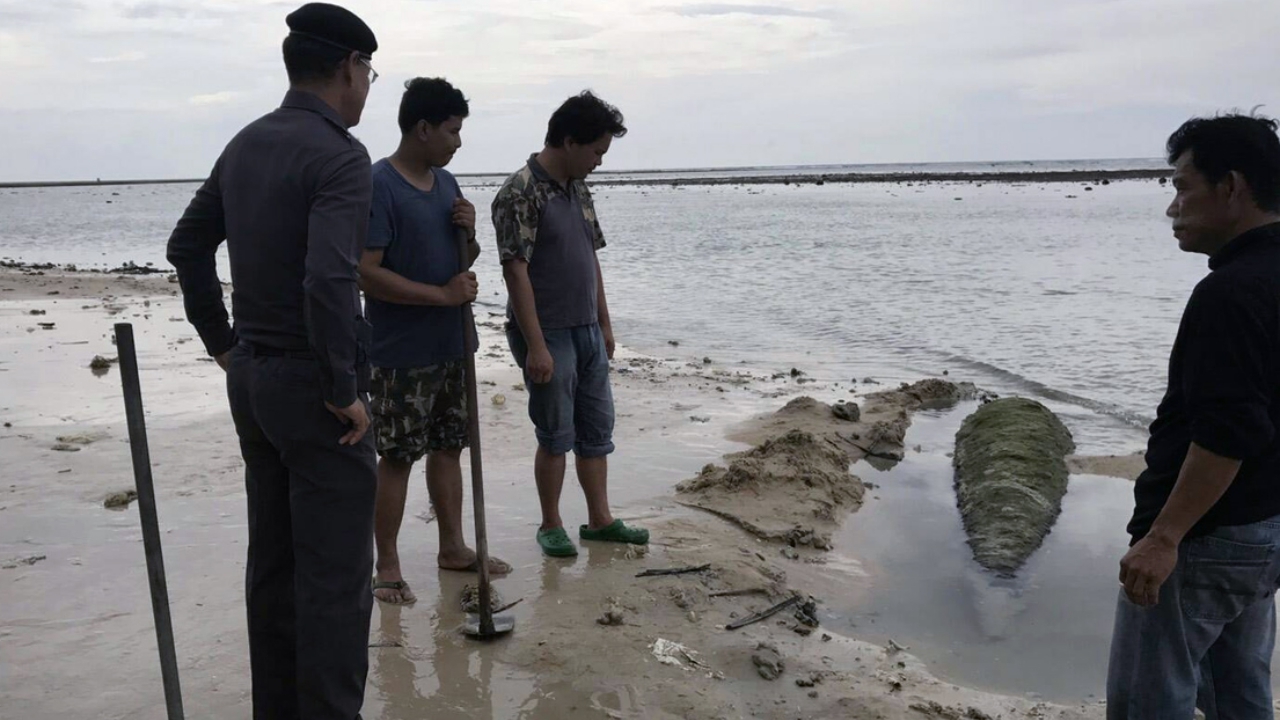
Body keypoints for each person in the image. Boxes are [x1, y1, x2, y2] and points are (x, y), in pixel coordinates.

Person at [165, 3, 380, 718]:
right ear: (348, 67)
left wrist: (224, 343)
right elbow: (328, 279)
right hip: (312, 383)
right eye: (369, 71)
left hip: (253, 377)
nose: (369, 84)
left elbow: (188, 246)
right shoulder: (340, 155)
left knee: (276, 568)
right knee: (336, 581)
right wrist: (345, 386)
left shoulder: (247, 142)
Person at [1107, 114, 1280, 719]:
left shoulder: (1230, 292)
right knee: (1241, 696)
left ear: (1231, 186)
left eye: (1182, 187)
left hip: (1204, 538)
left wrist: (1163, 536)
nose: (1172, 207)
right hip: (1263, 530)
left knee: (1148, 702)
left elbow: (1227, 434)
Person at [357, 77, 511, 606]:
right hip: (401, 352)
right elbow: (366, 273)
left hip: (453, 344)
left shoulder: (447, 185)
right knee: (398, 455)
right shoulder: (379, 185)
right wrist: (441, 296)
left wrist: (469, 234)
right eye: (452, 130)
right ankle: (388, 566)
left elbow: (459, 266)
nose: (457, 142)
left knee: (450, 447)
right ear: (422, 128)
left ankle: (453, 548)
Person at [491, 91, 648, 558]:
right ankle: (551, 524)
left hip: (586, 330)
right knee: (556, 434)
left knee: (596, 431)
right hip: (546, 333)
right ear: (567, 140)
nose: (599, 161)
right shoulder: (519, 191)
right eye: (596, 151)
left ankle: (599, 520)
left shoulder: (578, 189)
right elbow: (515, 271)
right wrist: (536, 346)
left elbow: (590, 260)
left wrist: (605, 323)